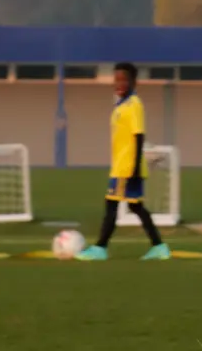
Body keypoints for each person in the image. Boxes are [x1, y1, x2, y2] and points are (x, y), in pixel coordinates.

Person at [76, 62, 170, 261]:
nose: (118, 83)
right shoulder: (121, 105)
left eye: (123, 80)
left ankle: (100, 248)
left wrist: (134, 168)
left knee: (111, 204)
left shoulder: (133, 105)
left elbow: (138, 136)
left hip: (126, 167)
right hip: (124, 165)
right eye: (116, 79)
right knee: (135, 206)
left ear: (133, 82)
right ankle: (159, 246)